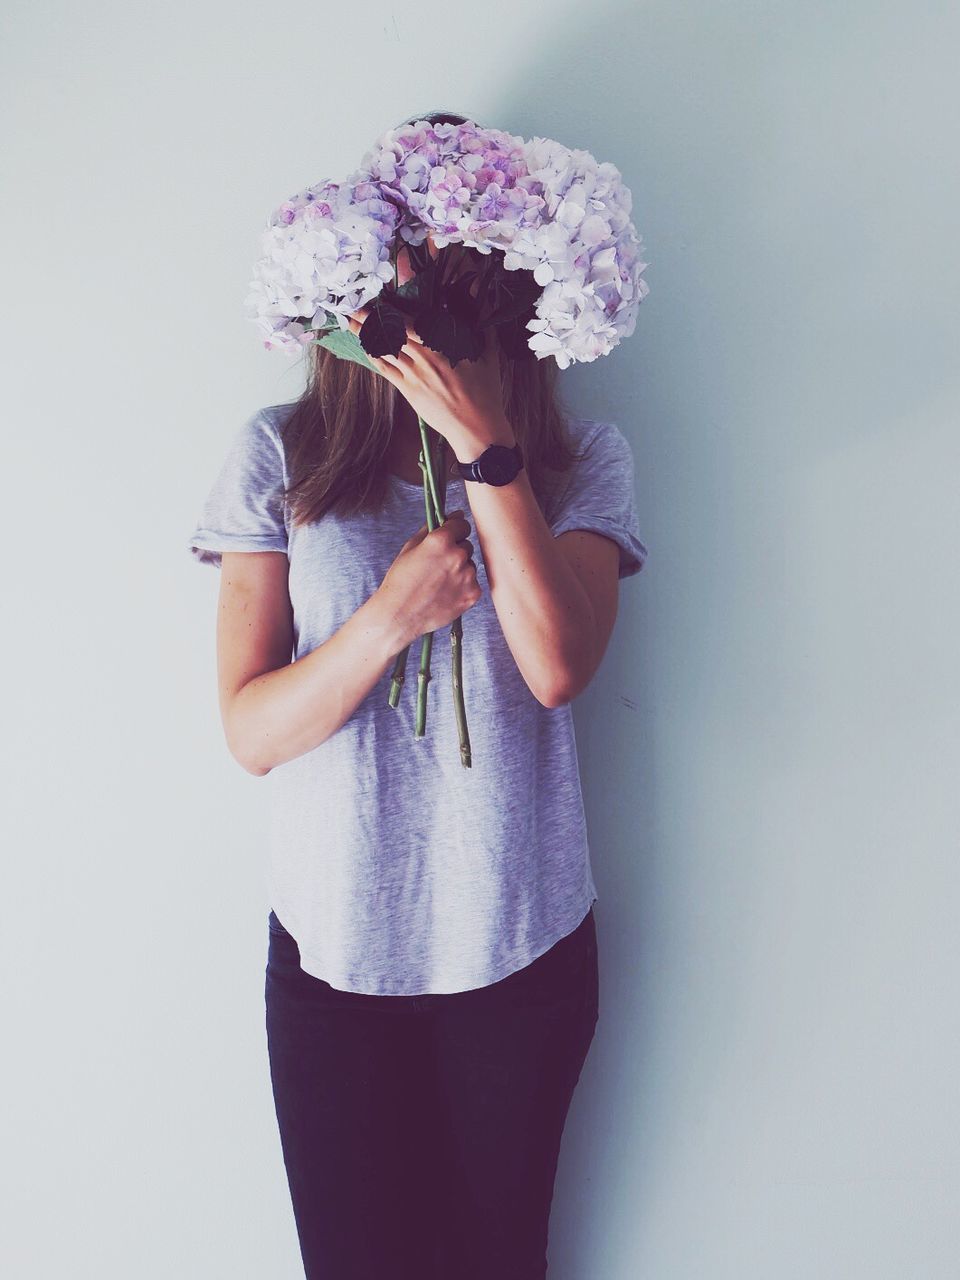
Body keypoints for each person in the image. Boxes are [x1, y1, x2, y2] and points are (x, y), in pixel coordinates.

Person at [188, 109, 647, 1280]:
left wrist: (486, 451)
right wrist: (390, 614)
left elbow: (555, 668)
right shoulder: (279, 455)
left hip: (520, 950)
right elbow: (251, 728)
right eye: (411, 265)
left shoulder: (582, 459)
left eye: (463, 272)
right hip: (335, 960)